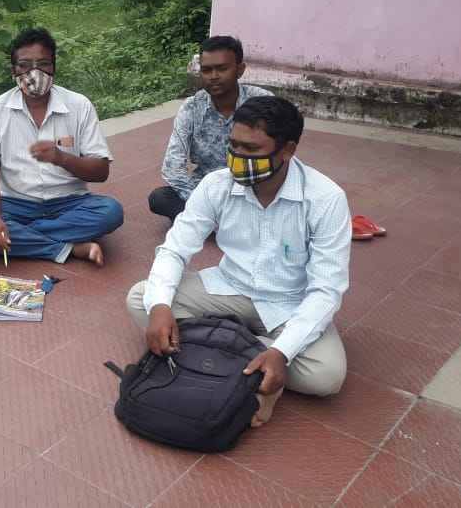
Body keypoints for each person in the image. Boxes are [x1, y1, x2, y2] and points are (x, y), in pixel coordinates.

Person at [127, 96, 349, 427]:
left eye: (252, 149)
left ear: (288, 150)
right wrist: (160, 307)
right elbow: (175, 249)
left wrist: (282, 352)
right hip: (229, 288)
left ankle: (225, 345)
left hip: (289, 305)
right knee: (141, 298)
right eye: (234, 146)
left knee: (326, 376)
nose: (238, 158)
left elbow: (326, 290)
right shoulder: (216, 185)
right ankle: (250, 361)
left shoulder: (325, 199)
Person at [0, 28, 123, 266]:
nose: (34, 73)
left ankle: (21, 238)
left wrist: (61, 158)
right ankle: (69, 248)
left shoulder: (79, 105)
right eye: (24, 65)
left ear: (54, 67)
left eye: (43, 64)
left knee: (111, 212)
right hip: (15, 203)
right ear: (13, 70)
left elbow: (101, 171)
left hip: (69, 202)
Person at [150, 36, 273, 221]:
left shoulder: (263, 103)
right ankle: (220, 222)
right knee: (160, 198)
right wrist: (205, 204)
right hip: (206, 189)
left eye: (222, 69)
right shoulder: (192, 108)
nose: (214, 76)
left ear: (240, 69)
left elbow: (278, 157)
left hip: (252, 188)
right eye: (207, 70)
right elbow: (172, 167)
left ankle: (208, 224)